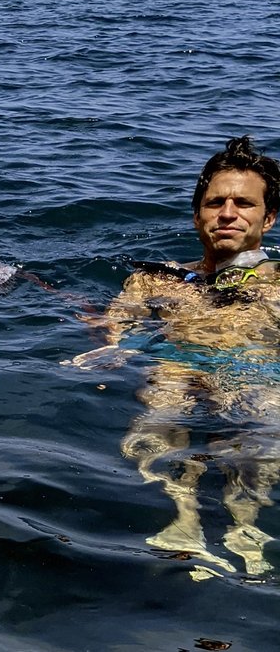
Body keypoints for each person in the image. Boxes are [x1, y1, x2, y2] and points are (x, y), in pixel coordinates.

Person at [68, 136, 280, 578]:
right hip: (175, 364)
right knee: (163, 398)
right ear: (196, 215)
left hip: (255, 368)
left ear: (270, 217)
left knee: (264, 412)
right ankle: (183, 517)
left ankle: (246, 526)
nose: (227, 213)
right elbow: (117, 326)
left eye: (243, 203)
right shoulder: (155, 279)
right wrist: (108, 343)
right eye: (214, 202)